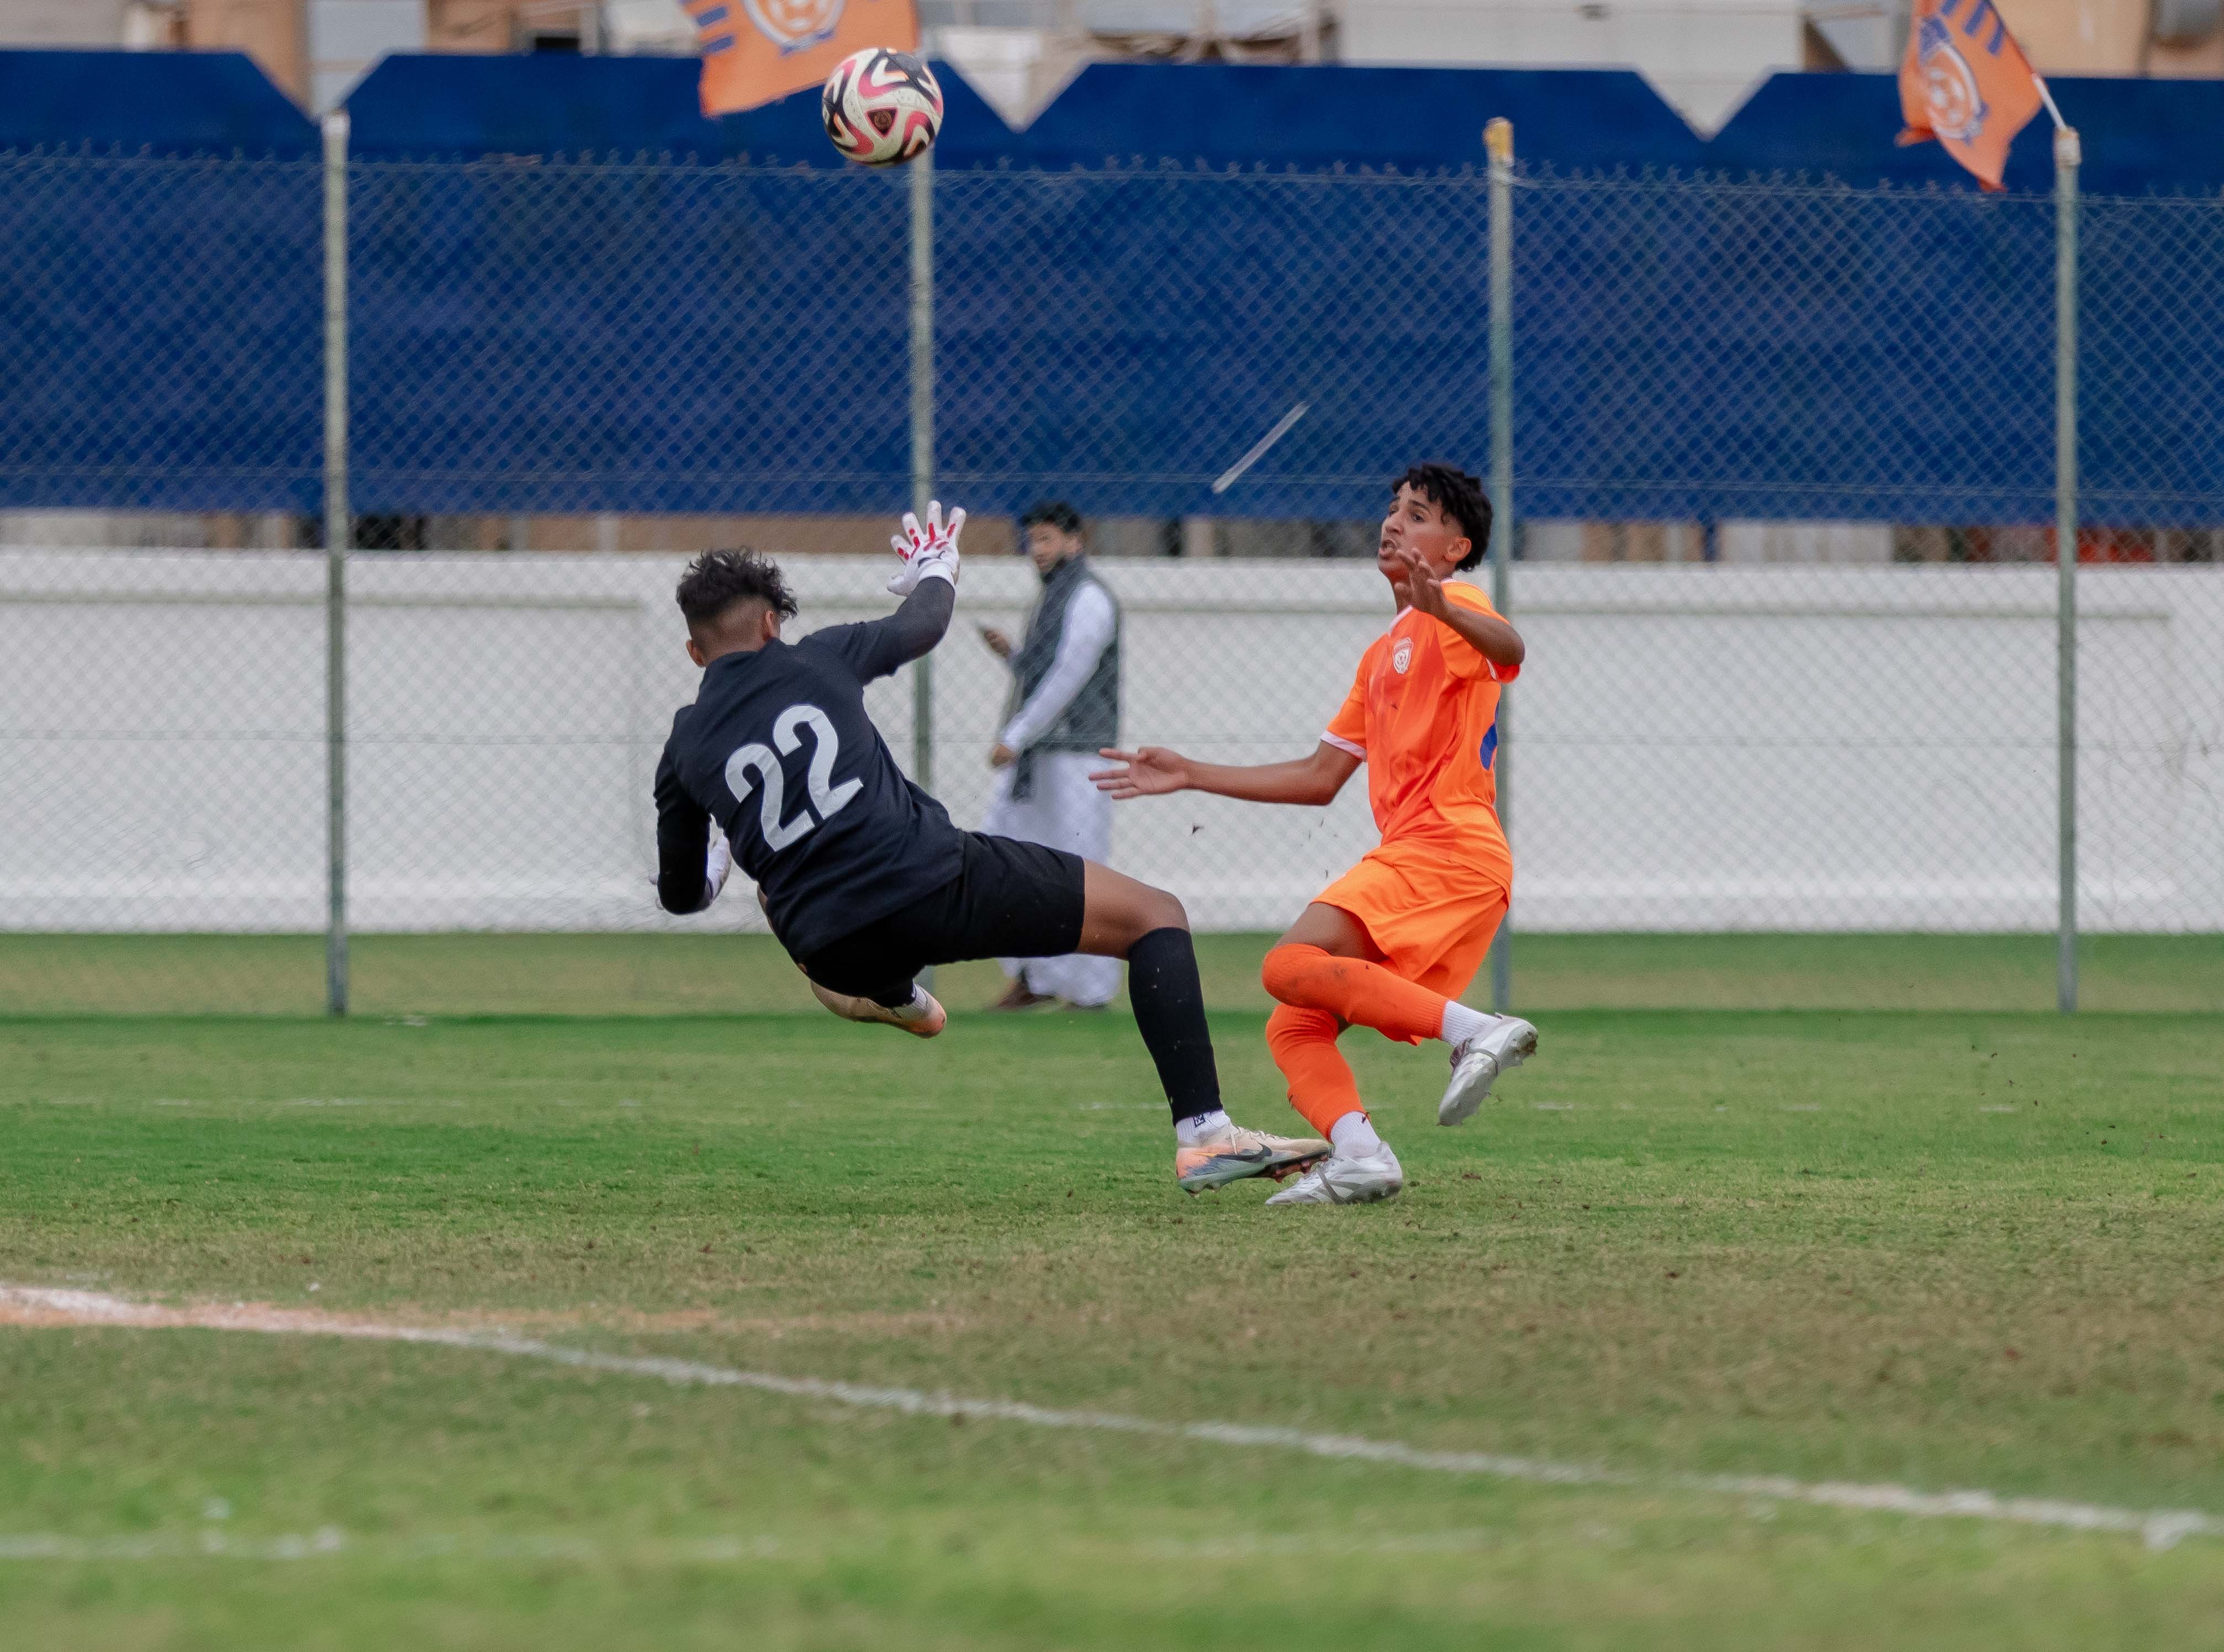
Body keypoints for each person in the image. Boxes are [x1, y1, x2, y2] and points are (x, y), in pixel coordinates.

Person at [652, 504, 1328, 1195]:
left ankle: (894, 995)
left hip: (827, 944)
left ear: (695, 653)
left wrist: (715, 862)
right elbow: (924, 624)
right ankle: (1207, 1135)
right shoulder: (817, 657)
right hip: (930, 884)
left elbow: (680, 898)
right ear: (771, 625)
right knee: (1156, 915)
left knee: (786, 891)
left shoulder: (682, 746)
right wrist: (936, 566)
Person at [1093, 464, 1540, 1207]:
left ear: (1456, 546)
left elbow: (1510, 648)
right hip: (1426, 856)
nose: (1394, 521)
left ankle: (1475, 1032)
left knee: (1285, 961)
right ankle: (1362, 1154)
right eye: (1392, 507)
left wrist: (1447, 607)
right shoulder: (1379, 654)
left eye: (1419, 514)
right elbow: (1318, 775)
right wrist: (1189, 772)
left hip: (1449, 847)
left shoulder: (1454, 605)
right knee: (1293, 1024)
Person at [976, 501, 1122, 1012]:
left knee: (1083, 871)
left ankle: (1092, 991)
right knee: (1010, 860)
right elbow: (1048, 673)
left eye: (1046, 540)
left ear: (1074, 540)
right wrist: (1014, 657)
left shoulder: (1089, 598)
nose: (1037, 551)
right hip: (1041, 757)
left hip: (1078, 758)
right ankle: (1034, 976)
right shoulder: (1053, 597)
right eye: (1032, 541)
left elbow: (1068, 678)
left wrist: (1014, 736)